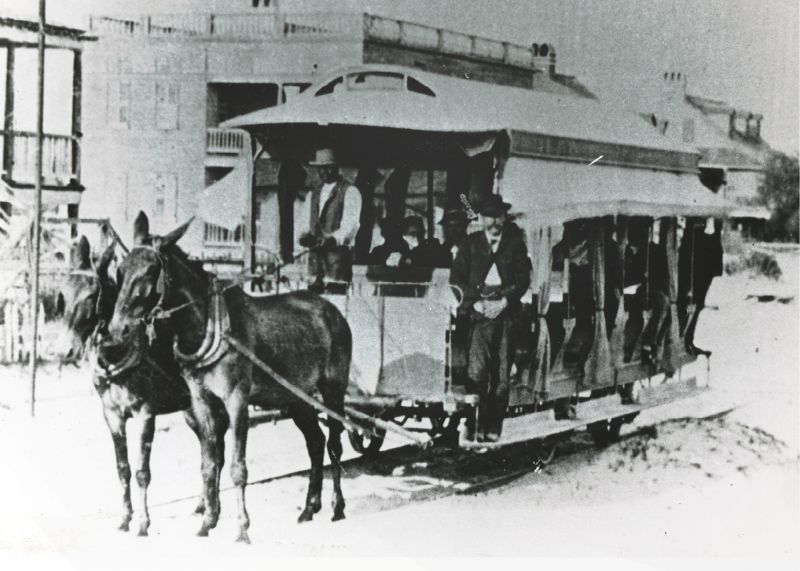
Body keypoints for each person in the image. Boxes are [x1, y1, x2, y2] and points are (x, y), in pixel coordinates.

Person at [450, 194, 530, 442]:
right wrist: (477, 302)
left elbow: (522, 280)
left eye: (498, 216)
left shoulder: (515, 244)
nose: (494, 221)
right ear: (482, 219)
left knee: (501, 374)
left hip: (506, 318)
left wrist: (504, 302)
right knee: (477, 372)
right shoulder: (470, 244)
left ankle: (494, 427)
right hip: (479, 316)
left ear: (504, 218)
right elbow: (457, 279)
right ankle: (474, 425)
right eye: (489, 216)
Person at [299, 148, 362, 288]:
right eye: (320, 168)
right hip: (314, 263)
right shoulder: (313, 194)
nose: (324, 172)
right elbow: (303, 222)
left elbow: (351, 225)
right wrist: (304, 237)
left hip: (336, 263)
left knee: (336, 299)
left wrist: (334, 238)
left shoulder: (350, 191)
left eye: (328, 168)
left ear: (336, 167)